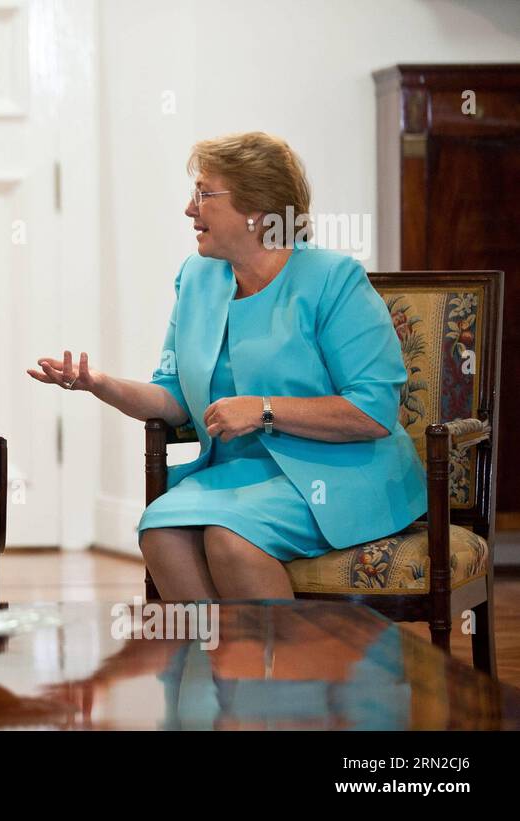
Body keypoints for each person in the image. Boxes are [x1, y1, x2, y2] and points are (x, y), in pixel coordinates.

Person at [28, 131, 425, 600]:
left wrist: (263, 410)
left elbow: (373, 410)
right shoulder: (198, 278)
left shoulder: (333, 281)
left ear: (257, 209)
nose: (189, 209)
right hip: (241, 478)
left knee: (229, 540)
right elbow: (173, 396)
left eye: (203, 194)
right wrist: (98, 384)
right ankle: (214, 670)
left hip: (338, 474)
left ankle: (284, 672)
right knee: (160, 531)